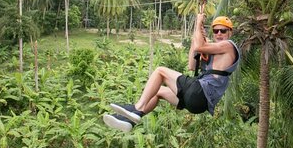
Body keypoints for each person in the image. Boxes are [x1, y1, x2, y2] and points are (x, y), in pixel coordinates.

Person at [103, 14, 240, 132]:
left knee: (160, 71)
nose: (219, 34)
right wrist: (196, 36)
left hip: (200, 93)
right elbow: (192, 66)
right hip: (197, 104)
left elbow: (200, 47)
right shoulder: (213, 50)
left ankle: (137, 106)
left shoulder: (228, 46)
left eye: (223, 30)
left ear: (230, 32)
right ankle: (130, 120)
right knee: (158, 91)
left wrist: (198, 23)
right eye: (216, 31)